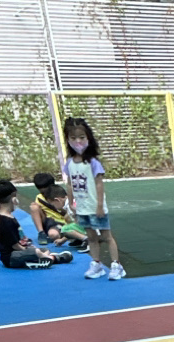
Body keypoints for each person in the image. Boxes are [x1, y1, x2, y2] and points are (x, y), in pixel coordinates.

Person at [63, 116, 126, 281]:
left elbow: (99, 184)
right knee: (91, 237)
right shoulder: (69, 163)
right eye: (73, 138)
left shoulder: (93, 162)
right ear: (68, 140)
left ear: (88, 138)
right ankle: (96, 263)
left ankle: (116, 265)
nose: (78, 141)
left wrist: (99, 205)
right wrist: (71, 203)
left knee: (106, 236)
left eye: (81, 137)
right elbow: (69, 184)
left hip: (95, 207)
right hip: (82, 208)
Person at [0, 179, 73, 269]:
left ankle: (45, 257)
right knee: (35, 252)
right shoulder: (5, 222)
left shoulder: (9, 217)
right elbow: (15, 246)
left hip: (19, 251)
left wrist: (30, 247)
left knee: (43, 249)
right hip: (11, 257)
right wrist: (29, 250)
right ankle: (50, 258)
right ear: (14, 199)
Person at [30, 177, 89, 251]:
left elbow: (75, 225)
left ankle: (86, 239)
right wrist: (62, 240)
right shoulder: (70, 203)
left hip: (88, 227)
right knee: (69, 227)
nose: (54, 207)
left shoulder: (70, 207)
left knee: (66, 228)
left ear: (57, 200)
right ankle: (81, 239)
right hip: (85, 225)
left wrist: (63, 239)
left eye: (53, 205)